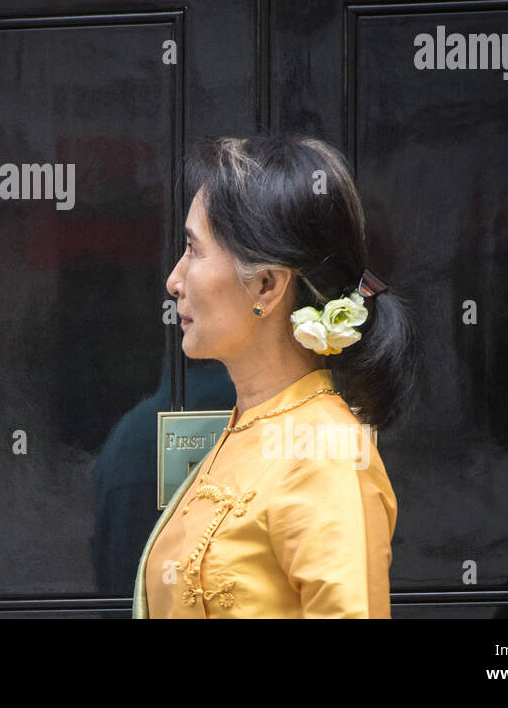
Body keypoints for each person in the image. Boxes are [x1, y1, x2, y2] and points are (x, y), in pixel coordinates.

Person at [134, 134, 416, 617]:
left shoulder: (326, 455)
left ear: (267, 283)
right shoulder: (249, 426)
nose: (174, 280)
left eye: (193, 250)